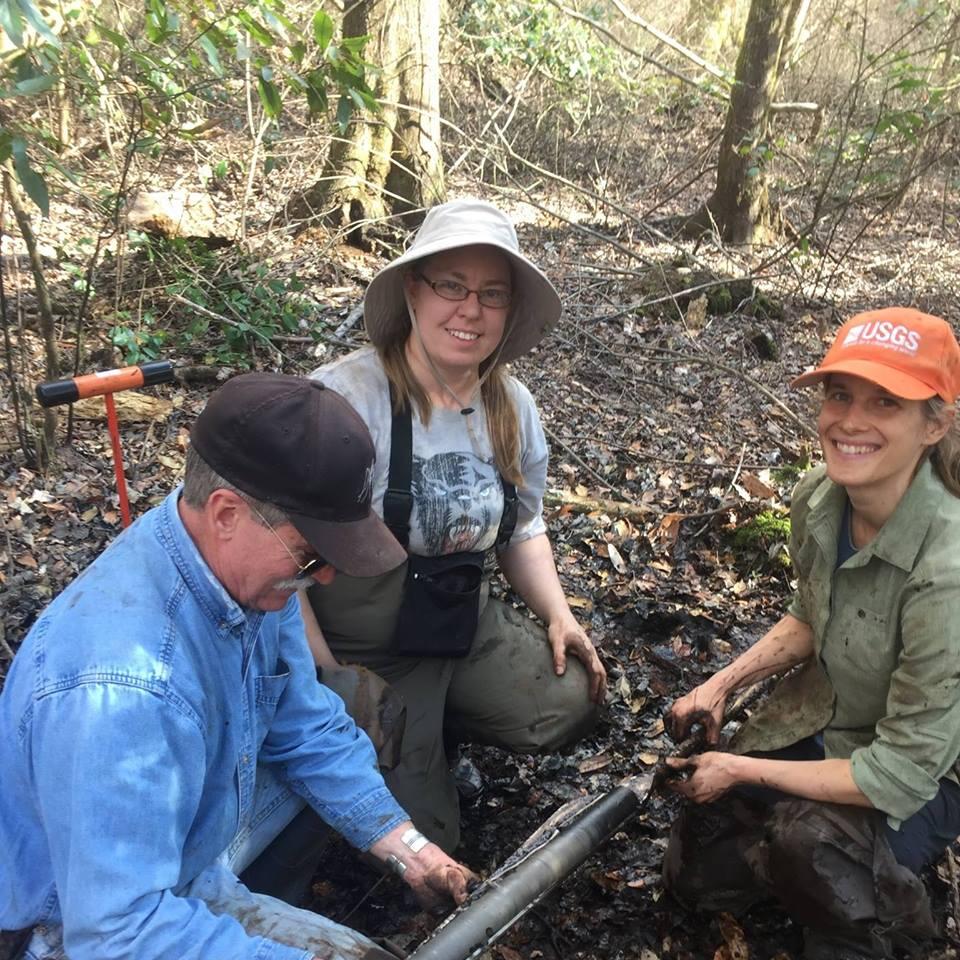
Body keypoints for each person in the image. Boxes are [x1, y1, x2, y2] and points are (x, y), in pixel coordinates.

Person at [0, 373, 474, 960]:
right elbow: (117, 933)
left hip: (186, 867)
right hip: (69, 930)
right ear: (226, 512)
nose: (322, 576)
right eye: (311, 553)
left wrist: (411, 849)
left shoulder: (241, 574)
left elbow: (305, 728)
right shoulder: (123, 692)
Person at [301, 198, 607, 853]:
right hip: (366, 650)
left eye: (491, 295)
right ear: (413, 291)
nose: (470, 309)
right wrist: (326, 677)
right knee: (428, 845)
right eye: (450, 286)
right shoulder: (347, 400)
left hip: (458, 620)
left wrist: (558, 614)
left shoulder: (512, 407)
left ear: (509, 312)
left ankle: (441, 725)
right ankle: (401, 743)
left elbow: (524, 529)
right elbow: (282, 561)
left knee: (571, 697)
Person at [662, 307, 960, 959]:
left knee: (806, 845)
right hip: (834, 714)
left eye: (887, 402)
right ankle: (803, 877)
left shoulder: (948, 569)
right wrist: (720, 684)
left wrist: (739, 767)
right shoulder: (820, 497)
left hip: (929, 771)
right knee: (698, 870)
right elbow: (811, 613)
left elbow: (904, 772)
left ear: (934, 424)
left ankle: (893, 928)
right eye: (840, 394)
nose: (850, 421)